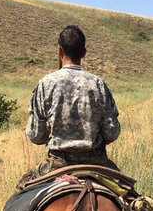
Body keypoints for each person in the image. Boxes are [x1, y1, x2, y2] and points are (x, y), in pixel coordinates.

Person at [16, 25, 120, 189]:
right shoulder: (99, 84)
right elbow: (112, 133)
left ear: (59, 51)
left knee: (20, 192)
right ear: (84, 53)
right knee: (132, 200)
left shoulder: (45, 84)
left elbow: (36, 135)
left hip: (57, 165)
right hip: (97, 163)